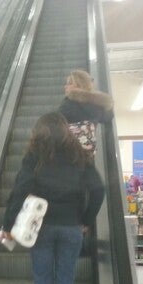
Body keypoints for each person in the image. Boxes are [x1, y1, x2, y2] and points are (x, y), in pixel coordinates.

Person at [1, 112, 91, 284]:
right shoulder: (79, 156)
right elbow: (94, 189)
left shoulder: (35, 156)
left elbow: (20, 189)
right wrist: (85, 219)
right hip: (71, 227)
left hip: (41, 228)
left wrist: (8, 225)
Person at [59, 69, 114, 232]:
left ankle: (72, 226)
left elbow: (57, 123)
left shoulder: (67, 104)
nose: (65, 87)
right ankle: (83, 224)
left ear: (78, 86)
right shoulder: (97, 105)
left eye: (69, 83)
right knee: (96, 188)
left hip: (65, 154)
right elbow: (108, 117)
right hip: (85, 156)